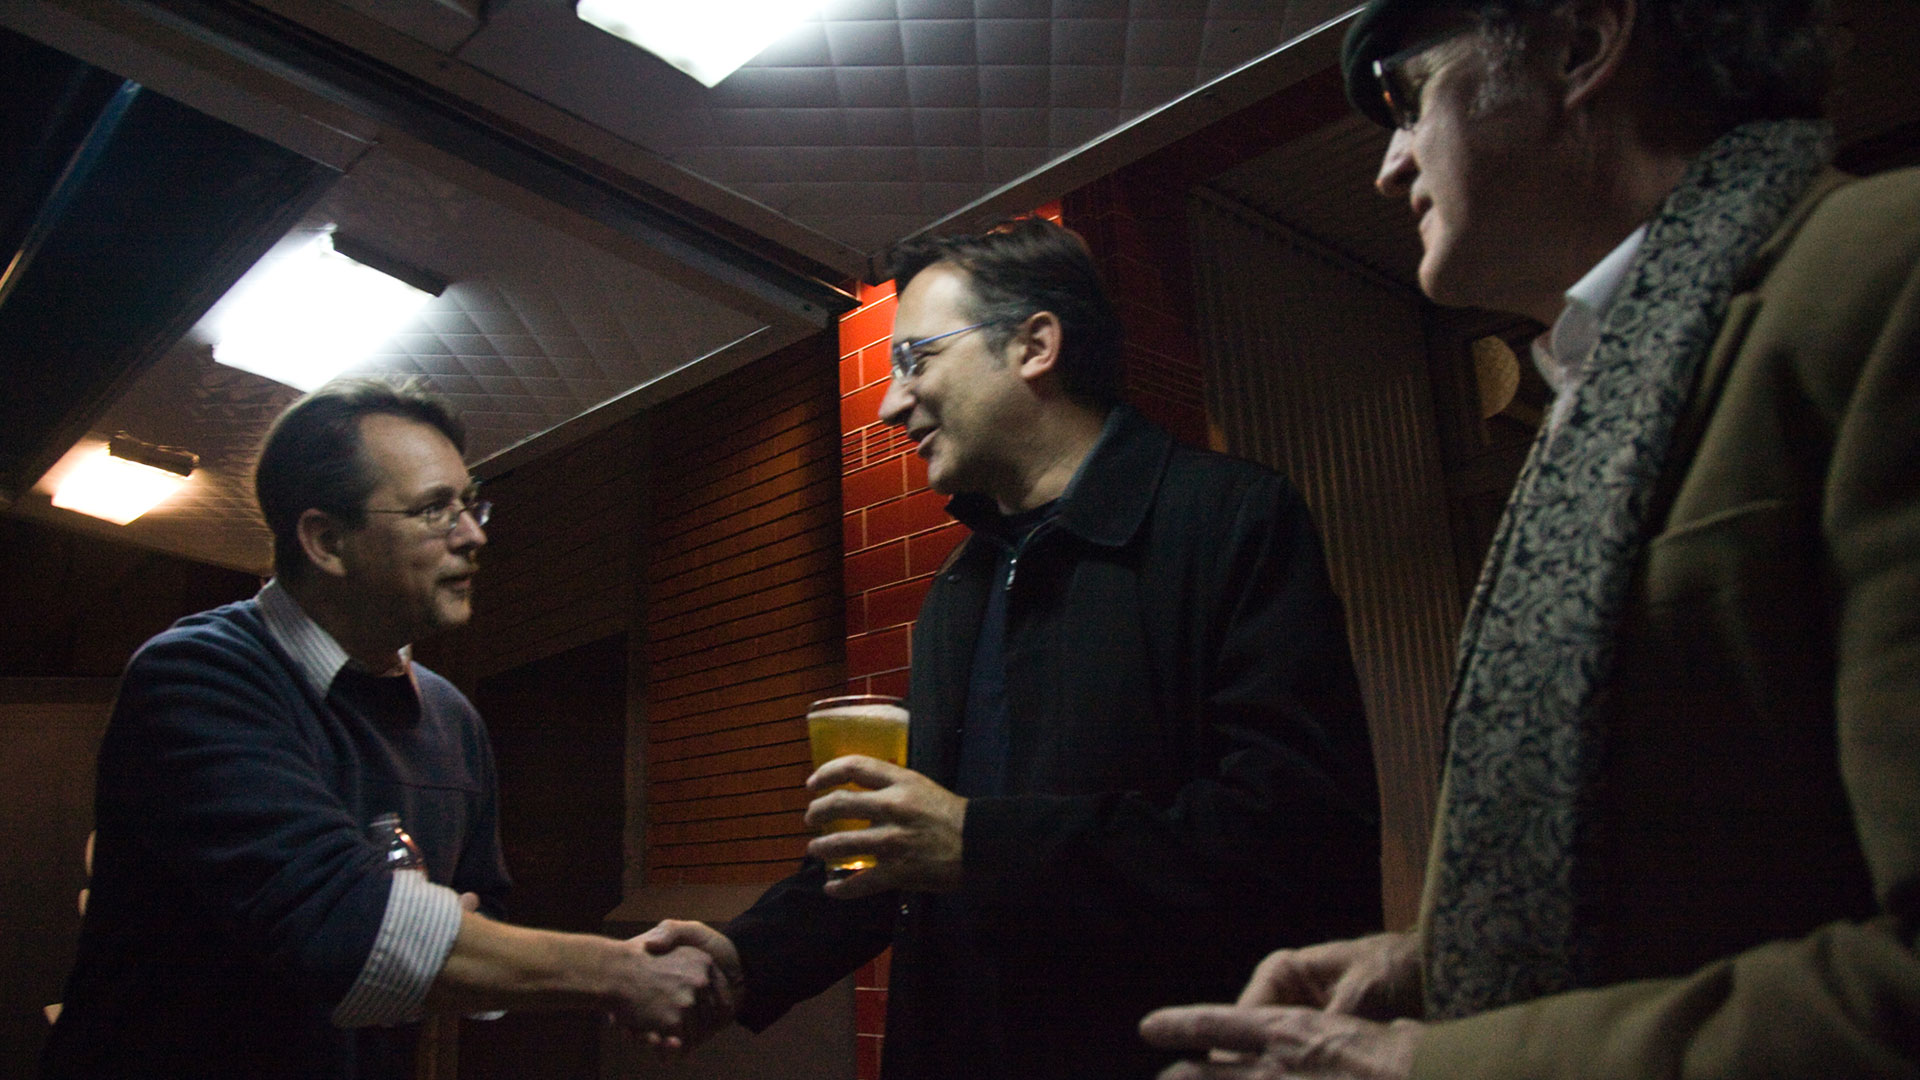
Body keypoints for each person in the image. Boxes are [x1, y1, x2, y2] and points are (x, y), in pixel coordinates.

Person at [1140, 0, 1920, 1076]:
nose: (1389, 167)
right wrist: (1449, 963)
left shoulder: (1885, 277)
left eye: (1409, 102)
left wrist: (1433, 1065)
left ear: (1580, 44)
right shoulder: (1610, 382)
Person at [644, 217, 1382, 1078]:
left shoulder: (1230, 520)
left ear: (1034, 345)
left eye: (916, 360)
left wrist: (977, 845)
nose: (888, 405)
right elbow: (903, 849)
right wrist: (744, 959)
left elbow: (1296, 837)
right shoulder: (960, 587)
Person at [41, 378, 737, 1080]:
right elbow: (340, 929)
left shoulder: (451, 717)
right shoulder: (199, 676)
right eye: (435, 510)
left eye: (470, 504)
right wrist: (617, 972)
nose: (474, 535)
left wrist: (419, 935)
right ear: (327, 540)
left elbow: (477, 906)